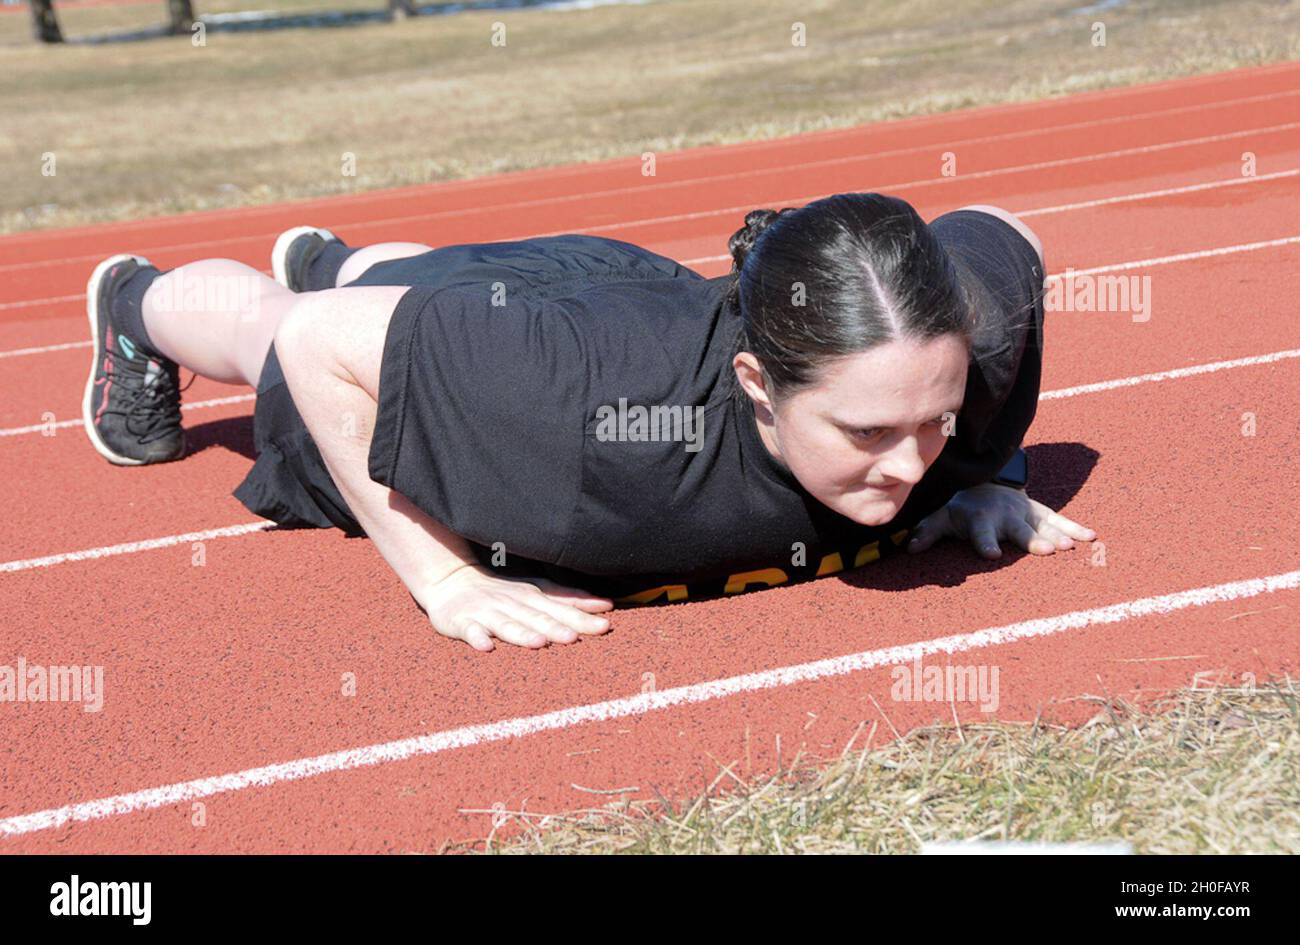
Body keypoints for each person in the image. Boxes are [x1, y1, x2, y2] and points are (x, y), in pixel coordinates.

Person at [82, 192, 1095, 651]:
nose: (907, 465)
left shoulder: (958, 340)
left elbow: (1002, 232)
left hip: (605, 294)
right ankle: (136, 306)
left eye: (936, 423)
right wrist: (442, 577)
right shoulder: (583, 414)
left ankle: (372, 270)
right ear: (757, 384)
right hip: (569, 331)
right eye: (866, 435)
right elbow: (317, 347)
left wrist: (988, 474)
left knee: (431, 298)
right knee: (270, 331)